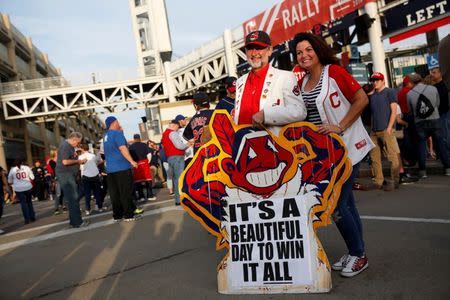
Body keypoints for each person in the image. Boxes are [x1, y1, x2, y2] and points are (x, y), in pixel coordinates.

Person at [294, 32, 374, 277]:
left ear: (318, 50)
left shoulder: (335, 72)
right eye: (299, 52)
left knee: (336, 204)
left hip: (347, 148)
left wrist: (340, 126)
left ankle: (359, 254)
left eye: (308, 49)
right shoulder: (302, 82)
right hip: (324, 155)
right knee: (347, 203)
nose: (304, 55)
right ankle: (355, 252)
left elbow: (361, 99)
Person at [234, 30, 306, 131]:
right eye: (250, 49)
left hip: (272, 144)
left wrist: (266, 115)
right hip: (243, 144)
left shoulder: (285, 77)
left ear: (269, 50)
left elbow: (299, 111)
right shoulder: (240, 82)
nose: (254, 53)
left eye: (259, 48)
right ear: (245, 52)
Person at [407, 73, 450, 177]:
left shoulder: (409, 94)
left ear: (412, 82)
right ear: (421, 79)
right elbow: (437, 104)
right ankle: (448, 168)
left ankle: (423, 171)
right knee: (440, 144)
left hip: (419, 122)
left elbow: (411, 111)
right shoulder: (433, 89)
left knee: (421, 145)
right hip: (435, 119)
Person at [103, 116, 143, 222]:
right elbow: (122, 148)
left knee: (115, 193)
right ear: (113, 122)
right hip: (121, 167)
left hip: (111, 169)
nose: (119, 123)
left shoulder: (105, 136)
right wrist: (131, 161)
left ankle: (117, 215)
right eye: (117, 122)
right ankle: (129, 215)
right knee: (125, 192)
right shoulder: (117, 134)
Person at [368, 71, 400, 191]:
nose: (375, 82)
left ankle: (394, 180)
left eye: (377, 80)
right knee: (374, 157)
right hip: (374, 130)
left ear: (383, 81)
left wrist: (389, 127)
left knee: (392, 156)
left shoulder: (390, 92)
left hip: (386, 129)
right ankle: (378, 181)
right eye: (373, 80)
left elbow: (394, 110)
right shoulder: (373, 95)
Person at [56, 132, 88, 228]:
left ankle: (74, 220)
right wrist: (79, 161)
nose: (78, 144)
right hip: (65, 174)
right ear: (74, 139)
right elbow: (65, 161)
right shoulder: (66, 146)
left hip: (68, 174)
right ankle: (77, 222)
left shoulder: (68, 146)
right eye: (77, 142)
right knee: (73, 198)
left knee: (72, 198)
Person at [161, 119, 192, 205]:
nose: (177, 130)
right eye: (178, 127)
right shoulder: (173, 133)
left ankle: (178, 199)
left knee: (175, 179)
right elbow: (179, 146)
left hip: (170, 157)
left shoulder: (165, 133)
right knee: (179, 178)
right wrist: (187, 145)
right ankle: (181, 199)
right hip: (177, 157)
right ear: (174, 125)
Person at [8, 159, 36, 224]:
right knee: (29, 202)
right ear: (22, 162)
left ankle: (27, 219)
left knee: (23, 204)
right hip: (27, 187)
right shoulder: (26, 168)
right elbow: (32, 177)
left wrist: (14, 182)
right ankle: (32, 217)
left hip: (19, 189)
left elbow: (9, 181)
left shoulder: (12, 170)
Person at [129, 134, 156, 202]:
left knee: (138, 181)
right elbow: (149, 154)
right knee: (148, 179)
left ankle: (141, 197)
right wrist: (148, 162)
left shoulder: (131, 147)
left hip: (136, 164)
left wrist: (132, 163)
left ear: (134, 139)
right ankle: (150, 195)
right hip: (144, 163)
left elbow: (130, 157)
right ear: (140, 138)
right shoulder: (144, 145)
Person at [78, 143, 104, 215]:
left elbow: (80, 167)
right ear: (88, 149)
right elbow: (97, 163)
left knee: (87, 194)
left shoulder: (80, 157)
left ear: (82, 149)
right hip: (95, 175)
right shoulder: (93, 155)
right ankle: (100, 207)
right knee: (97, 192)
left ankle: (87, 210)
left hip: (85, 176)